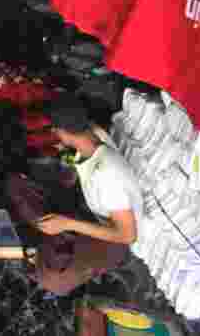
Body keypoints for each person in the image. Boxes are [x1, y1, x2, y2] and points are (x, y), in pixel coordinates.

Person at [9, 98, 143, 296]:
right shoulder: (93, 135)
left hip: (112, 240)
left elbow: (127, 235)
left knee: (54, 280)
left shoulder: (108, 174)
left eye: (55, 130)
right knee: (17, 184)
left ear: (61, 132)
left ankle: (52, 242)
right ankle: (52, 238)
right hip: (88, 210)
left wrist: (68, 224)